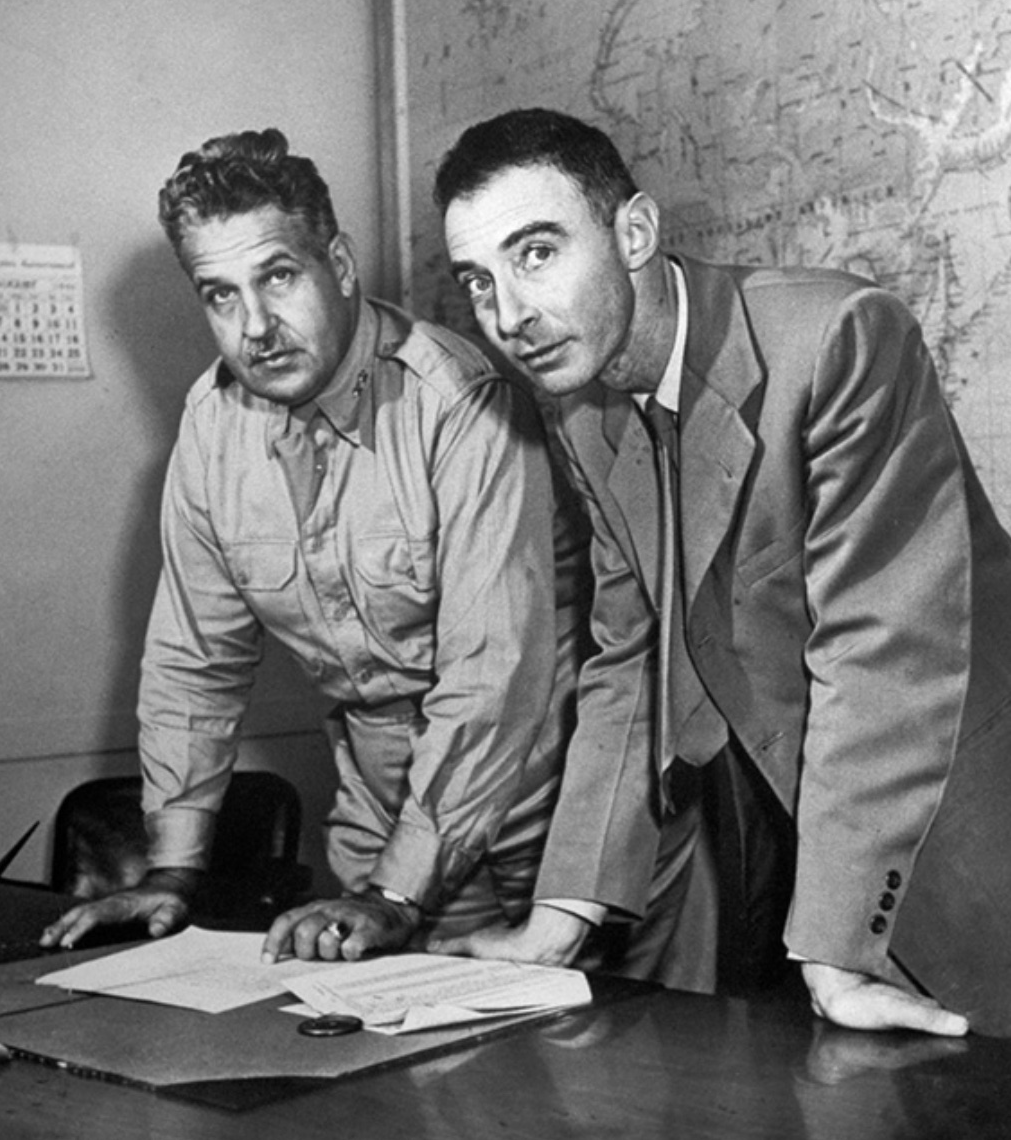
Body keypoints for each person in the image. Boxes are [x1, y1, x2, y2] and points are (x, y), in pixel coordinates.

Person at [431, 106, 1011, 1037]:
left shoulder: (840, 338)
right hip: (789, 820)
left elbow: (884, 658)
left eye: (535, 254)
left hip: (959, 809)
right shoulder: (579, 406)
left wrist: (833, 951)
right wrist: (557, 919)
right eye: (478, 279)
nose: (508, 316)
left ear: (634, 232)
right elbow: (629, 656)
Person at [41, 127, 590, 963]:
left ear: (337, 264)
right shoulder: (212, 431)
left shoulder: (461, 405)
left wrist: (397, 893)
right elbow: (195, 661)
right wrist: (175, 872)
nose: (256, 327)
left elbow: (493, 679)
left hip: (549, 801)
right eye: (220, 295)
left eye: (279, 277)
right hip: (382, 805)